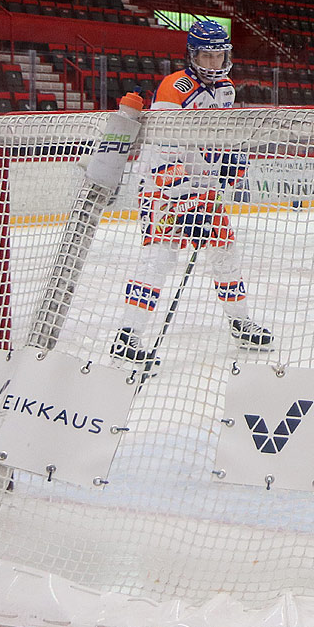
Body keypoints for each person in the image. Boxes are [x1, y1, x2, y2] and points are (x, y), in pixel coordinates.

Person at [110, 20, 272, 368]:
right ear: (192, 55)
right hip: (164, 187)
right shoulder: (174, 88)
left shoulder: (227, 89)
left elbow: (222, 137)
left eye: (219, 56)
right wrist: (186, 205)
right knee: (161, 256)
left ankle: (240, 322)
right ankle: (127, 334)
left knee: (225, 253)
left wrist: (231, 161)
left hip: (203, 187)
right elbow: (164, 153)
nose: (214, 64)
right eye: (206, 57)